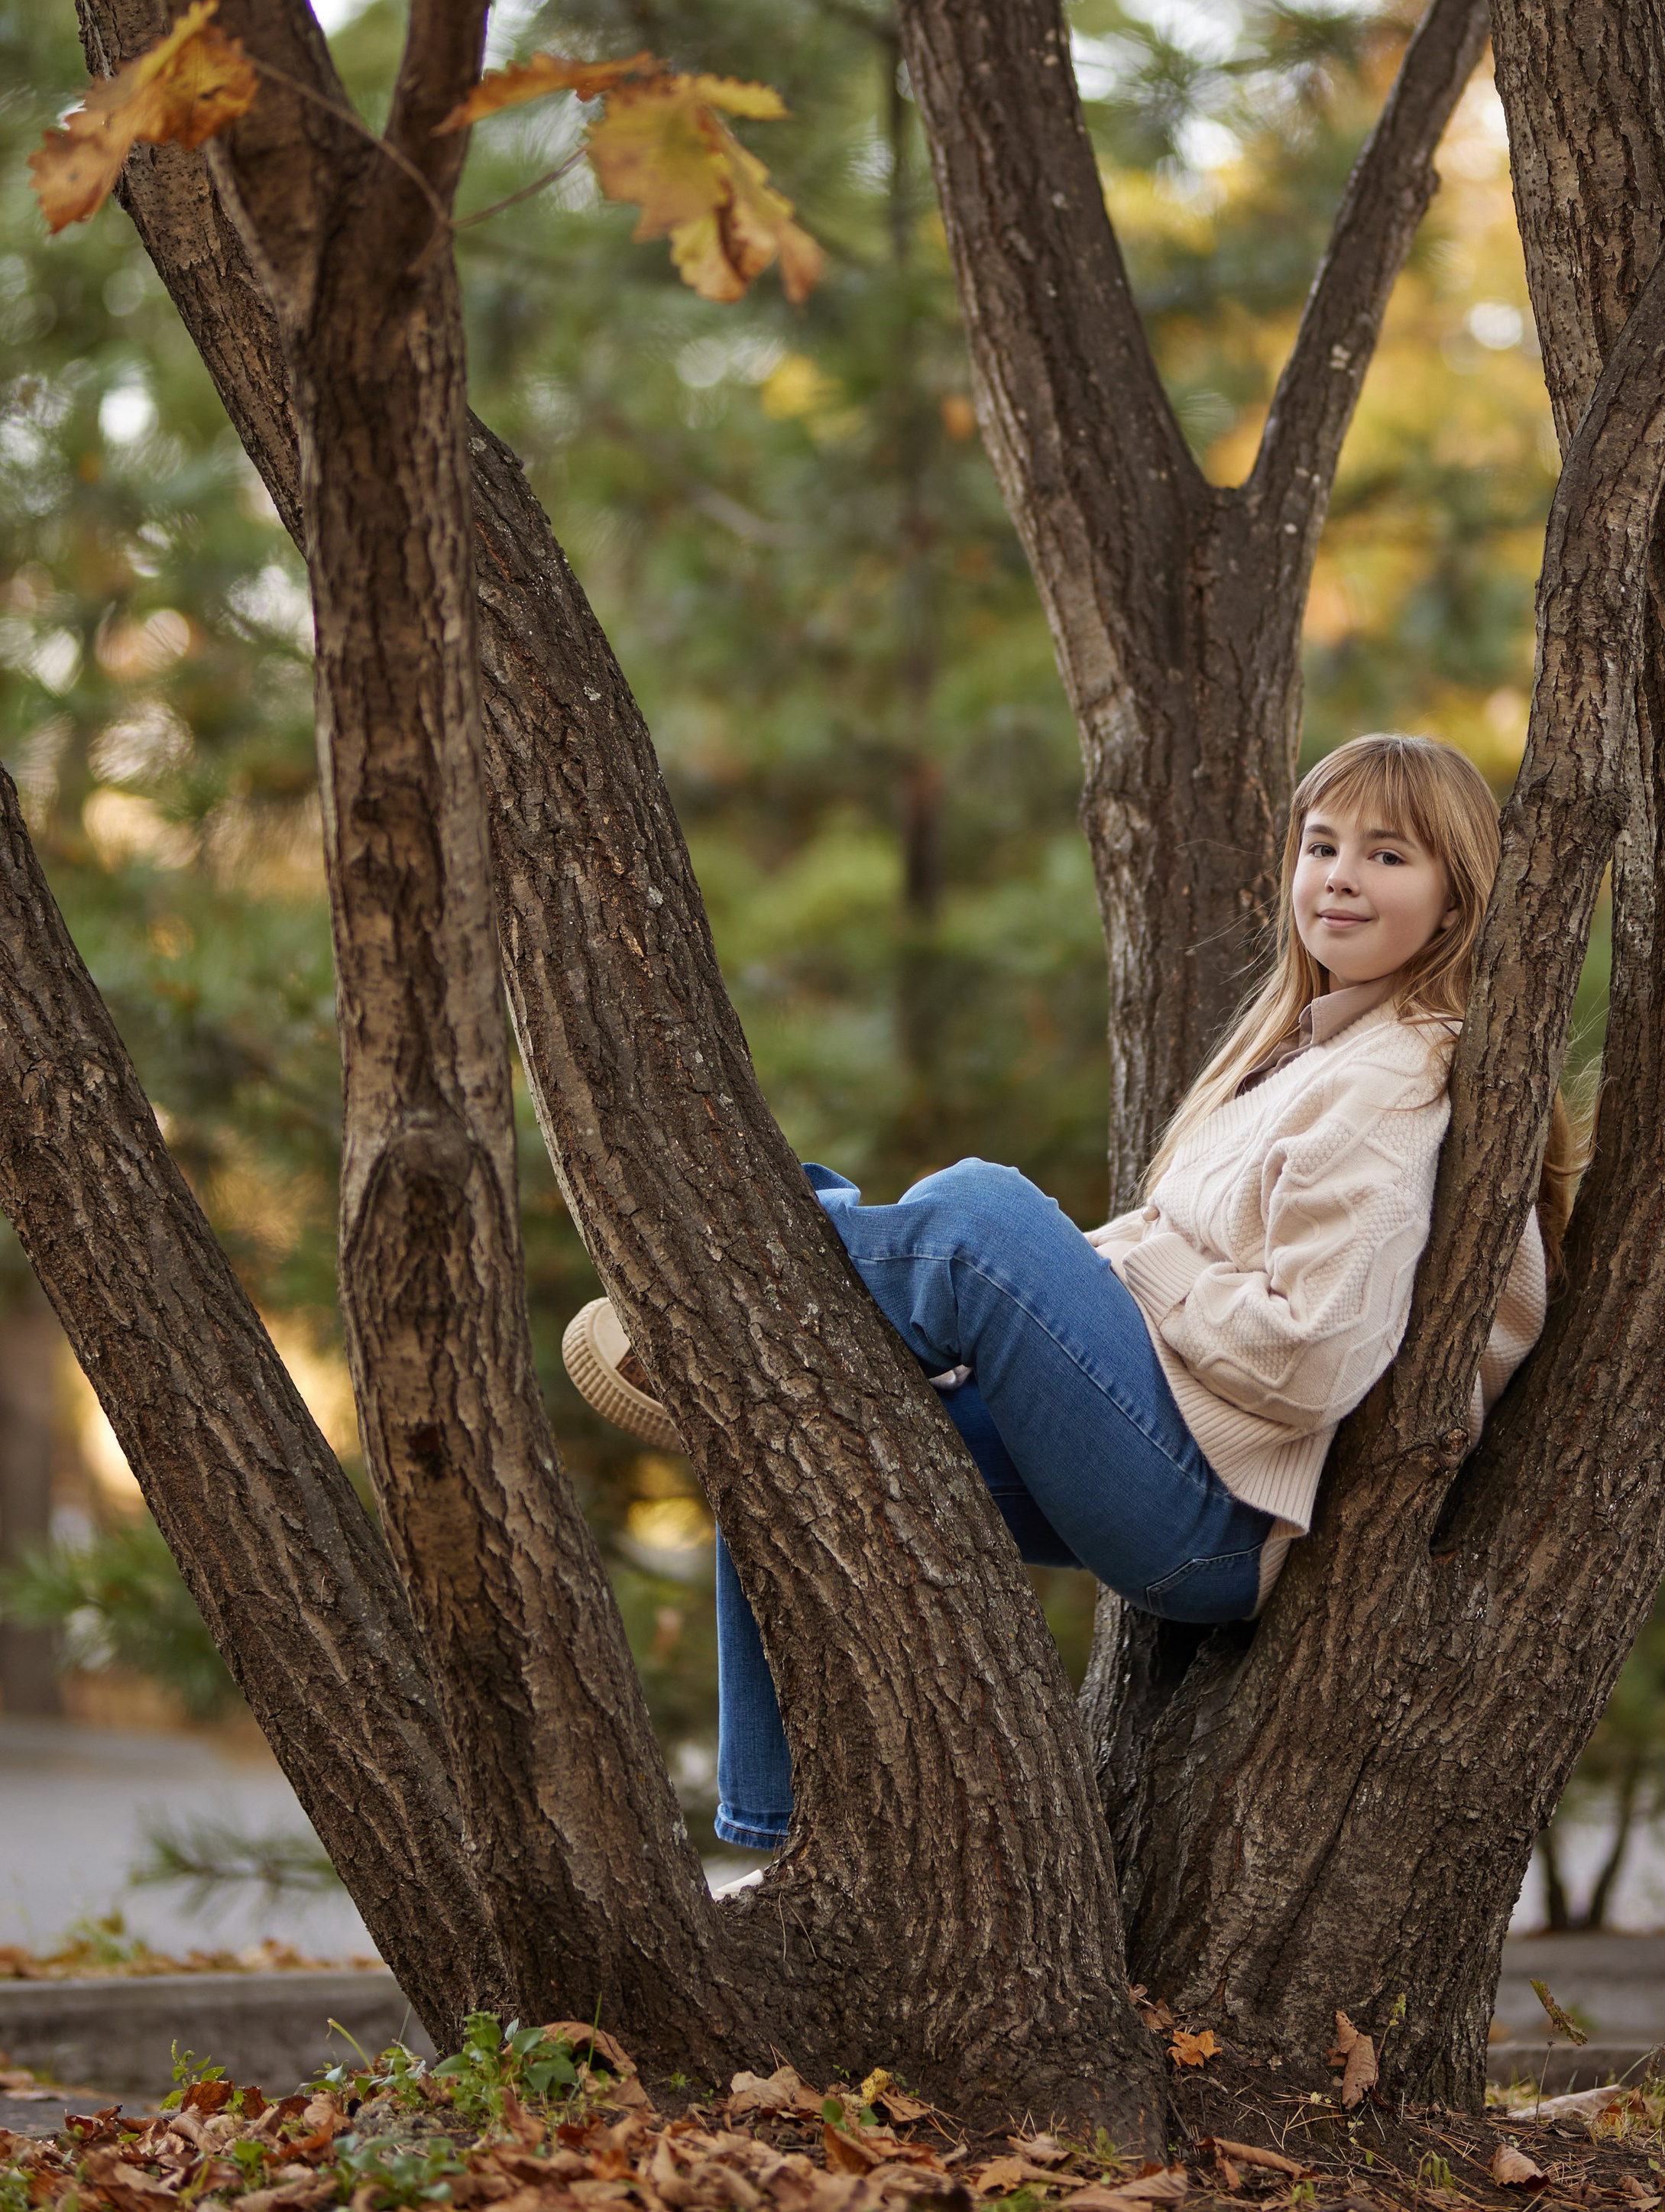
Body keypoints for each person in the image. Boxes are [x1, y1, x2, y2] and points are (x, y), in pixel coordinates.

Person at [565, 731, 1574, 1859]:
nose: (1338, 876)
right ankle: (793, 1846)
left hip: (1226, 1513)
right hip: (1181, 1449)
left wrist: (1109, 1272)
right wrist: (1055, 1304)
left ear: (1453, 902)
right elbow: (1147, 1261)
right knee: (795, 1456)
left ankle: (733, 1299)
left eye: (1388, 856)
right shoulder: (1304, 1050)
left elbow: (1313, 1359)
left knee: (981, 1212)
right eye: (1322, 844)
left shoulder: (1394, 1079)